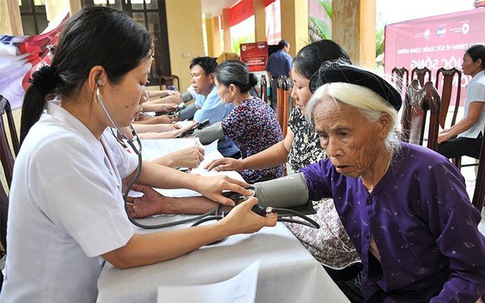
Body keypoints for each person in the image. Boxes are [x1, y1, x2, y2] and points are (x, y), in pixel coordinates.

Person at [0, 7, 277, 302]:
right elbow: (125, 251)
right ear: (99, 80)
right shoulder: (57, 148)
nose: (145, 96)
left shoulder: (89, 126)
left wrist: (198, 183)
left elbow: (133, 169)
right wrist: (224, 228)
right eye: (142, 82)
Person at [282, 61, 485, 302]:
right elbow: (305, 183)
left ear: (382, 124)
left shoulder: (430, 173)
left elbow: (471, 270)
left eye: (344, 134)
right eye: (323, 136)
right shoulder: (340, 168)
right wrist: (247, 194)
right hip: (375, 291)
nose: (332, 150)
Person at [205, 40, 361, 284]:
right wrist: (240, 165)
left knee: (247, 234)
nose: (292, 92)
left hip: (322, 215)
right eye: (292, 84)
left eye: (299, 85)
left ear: (325, 86)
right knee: (238, 213)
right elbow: (285, 148)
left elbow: (321, 192)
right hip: (299, 193)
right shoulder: (301, 112)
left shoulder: (347, 127)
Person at [197, 60, 284, 183]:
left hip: (259, 176)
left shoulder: (243, 112)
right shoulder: (255, 101)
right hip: (272, 170)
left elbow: (204, 137)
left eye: (218, 87)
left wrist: (181, 133)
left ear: (232, 89)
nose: (217, 92)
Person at [437, 44, 485, 161]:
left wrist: (447, 135)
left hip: (477, 139)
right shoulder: (479, 81)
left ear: (478, 62)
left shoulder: (479, 84)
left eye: (465, 60)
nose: (462, 64)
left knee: (435, 149)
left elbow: (472, 119)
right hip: (474, 135)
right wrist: (449, 130)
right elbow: (468, 117)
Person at [189, 57, 240, 158]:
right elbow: (197, 106)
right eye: (192, 76)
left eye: (196, 75)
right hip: (220, 147)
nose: (192, 80)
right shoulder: (204, 91)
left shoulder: (217, 92)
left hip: (230, 152)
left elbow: (197, 122)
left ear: (212, 77)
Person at [266, 39, 292, 110]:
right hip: (286, 80)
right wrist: (292, 82)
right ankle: (286, 118)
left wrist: (271, 79)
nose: (288, 50)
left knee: (275, 99)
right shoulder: (287, 56)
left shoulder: (271, 56)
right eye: (288, 48)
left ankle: (276, 117)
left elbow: (268, 70)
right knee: (287, 100)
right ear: (284, 47)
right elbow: (290, 71)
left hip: (275, 80)